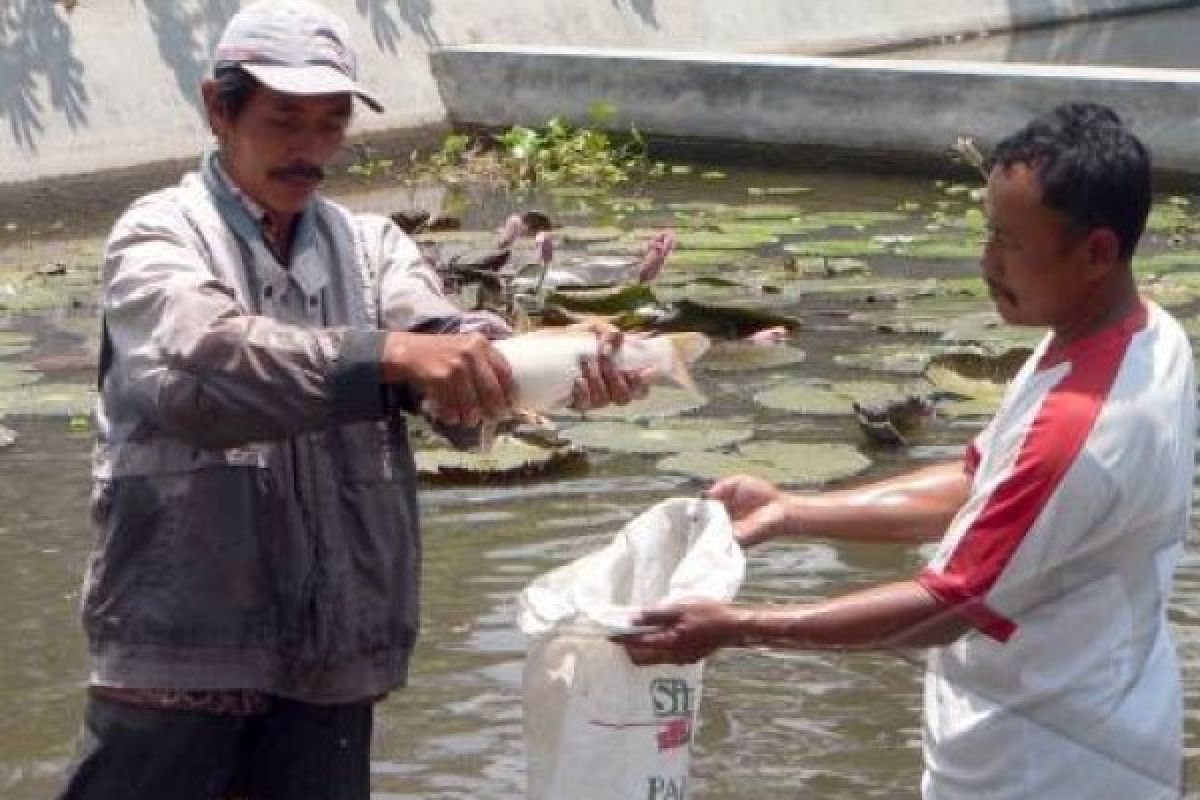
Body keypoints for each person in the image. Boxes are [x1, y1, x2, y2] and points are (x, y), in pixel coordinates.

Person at [56, 3, 643, 799]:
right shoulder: (160, 235)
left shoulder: (371, 247)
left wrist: (561, 367)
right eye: (285, 119)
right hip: (182, 638)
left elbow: (444, 342)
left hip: (335, 643)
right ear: (218, 109)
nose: (310, 149)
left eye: (331, 123)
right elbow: (201, 366)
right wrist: (391, 355)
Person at [620, 102, 1193, 800]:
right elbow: (975, 482)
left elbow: (941, 606)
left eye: (1012, 243)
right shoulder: (1142, 333)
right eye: (990, 234)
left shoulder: (1082, 430)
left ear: (1097, 252)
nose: (987, 262)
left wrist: (737, 627)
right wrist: (792, 510)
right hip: (1104, 717)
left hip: (1043, 765)